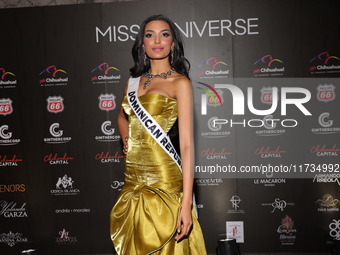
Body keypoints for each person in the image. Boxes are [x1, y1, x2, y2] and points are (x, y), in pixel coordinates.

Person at [110, 14, 207, 255]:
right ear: (142, 43)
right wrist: (126, 137)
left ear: (173, 43)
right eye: (149, 35)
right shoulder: (131, 83)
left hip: (164, 177)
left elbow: (186, 145)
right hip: (133, 176)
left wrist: (186, 204)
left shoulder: (179, 83)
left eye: (164, 34)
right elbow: (122, 117)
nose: (157, 40)